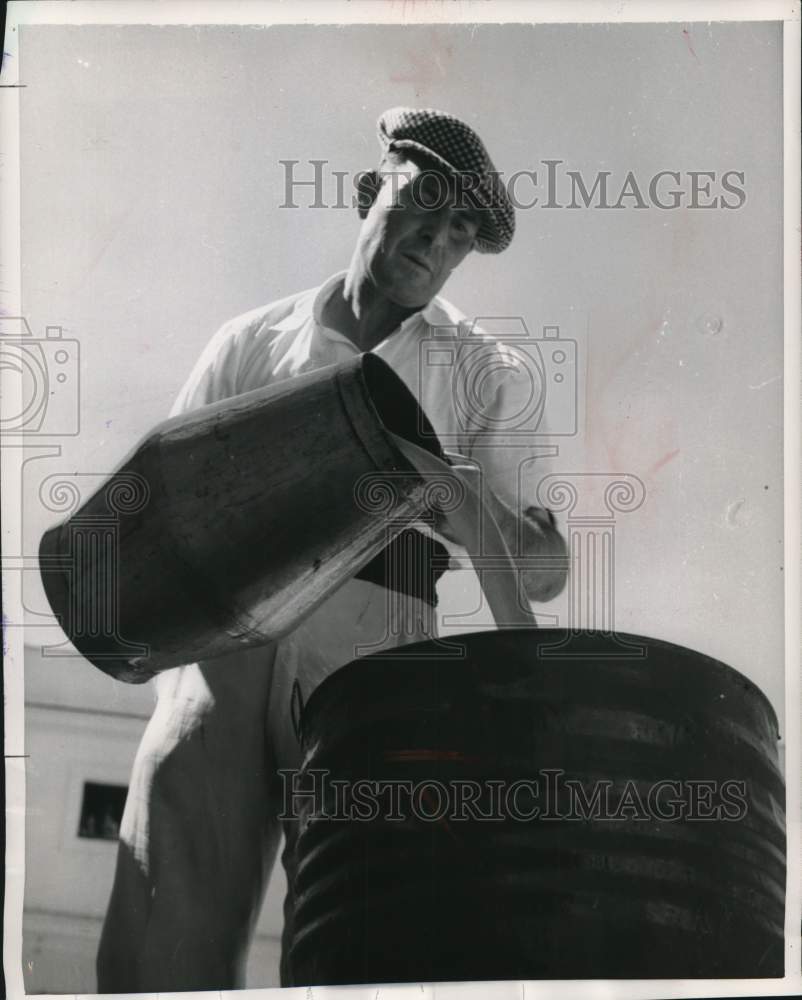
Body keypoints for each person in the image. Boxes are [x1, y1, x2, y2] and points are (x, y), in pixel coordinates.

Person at [96, 107, 568, 991]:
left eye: (461, 229)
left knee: (365, 934)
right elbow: (153, 510)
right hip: (221, 652)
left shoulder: (489, 371)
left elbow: (543, 573)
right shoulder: (248, 342)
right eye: (423, 200)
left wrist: (447, 490)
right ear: (372, 188)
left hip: (378, 658)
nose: (436, 237)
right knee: (166, 929)